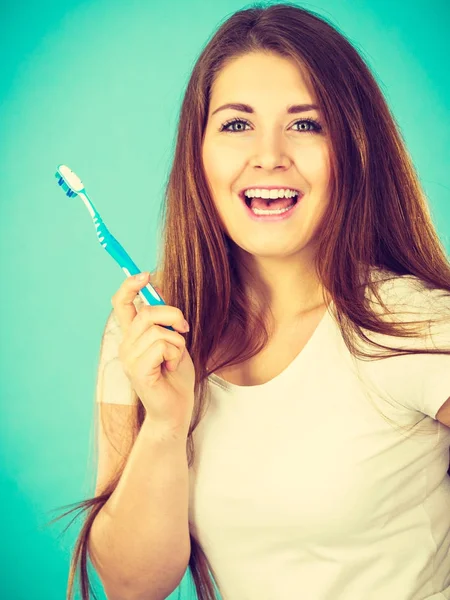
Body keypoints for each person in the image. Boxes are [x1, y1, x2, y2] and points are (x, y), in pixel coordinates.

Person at [56, 3, 450, 600]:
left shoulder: (414, 321)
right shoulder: (146, 332)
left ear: (355, 150)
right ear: (199, 151)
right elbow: (134, 585)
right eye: (237, 125)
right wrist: (164, 424)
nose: (268, 155)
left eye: (307, 124)